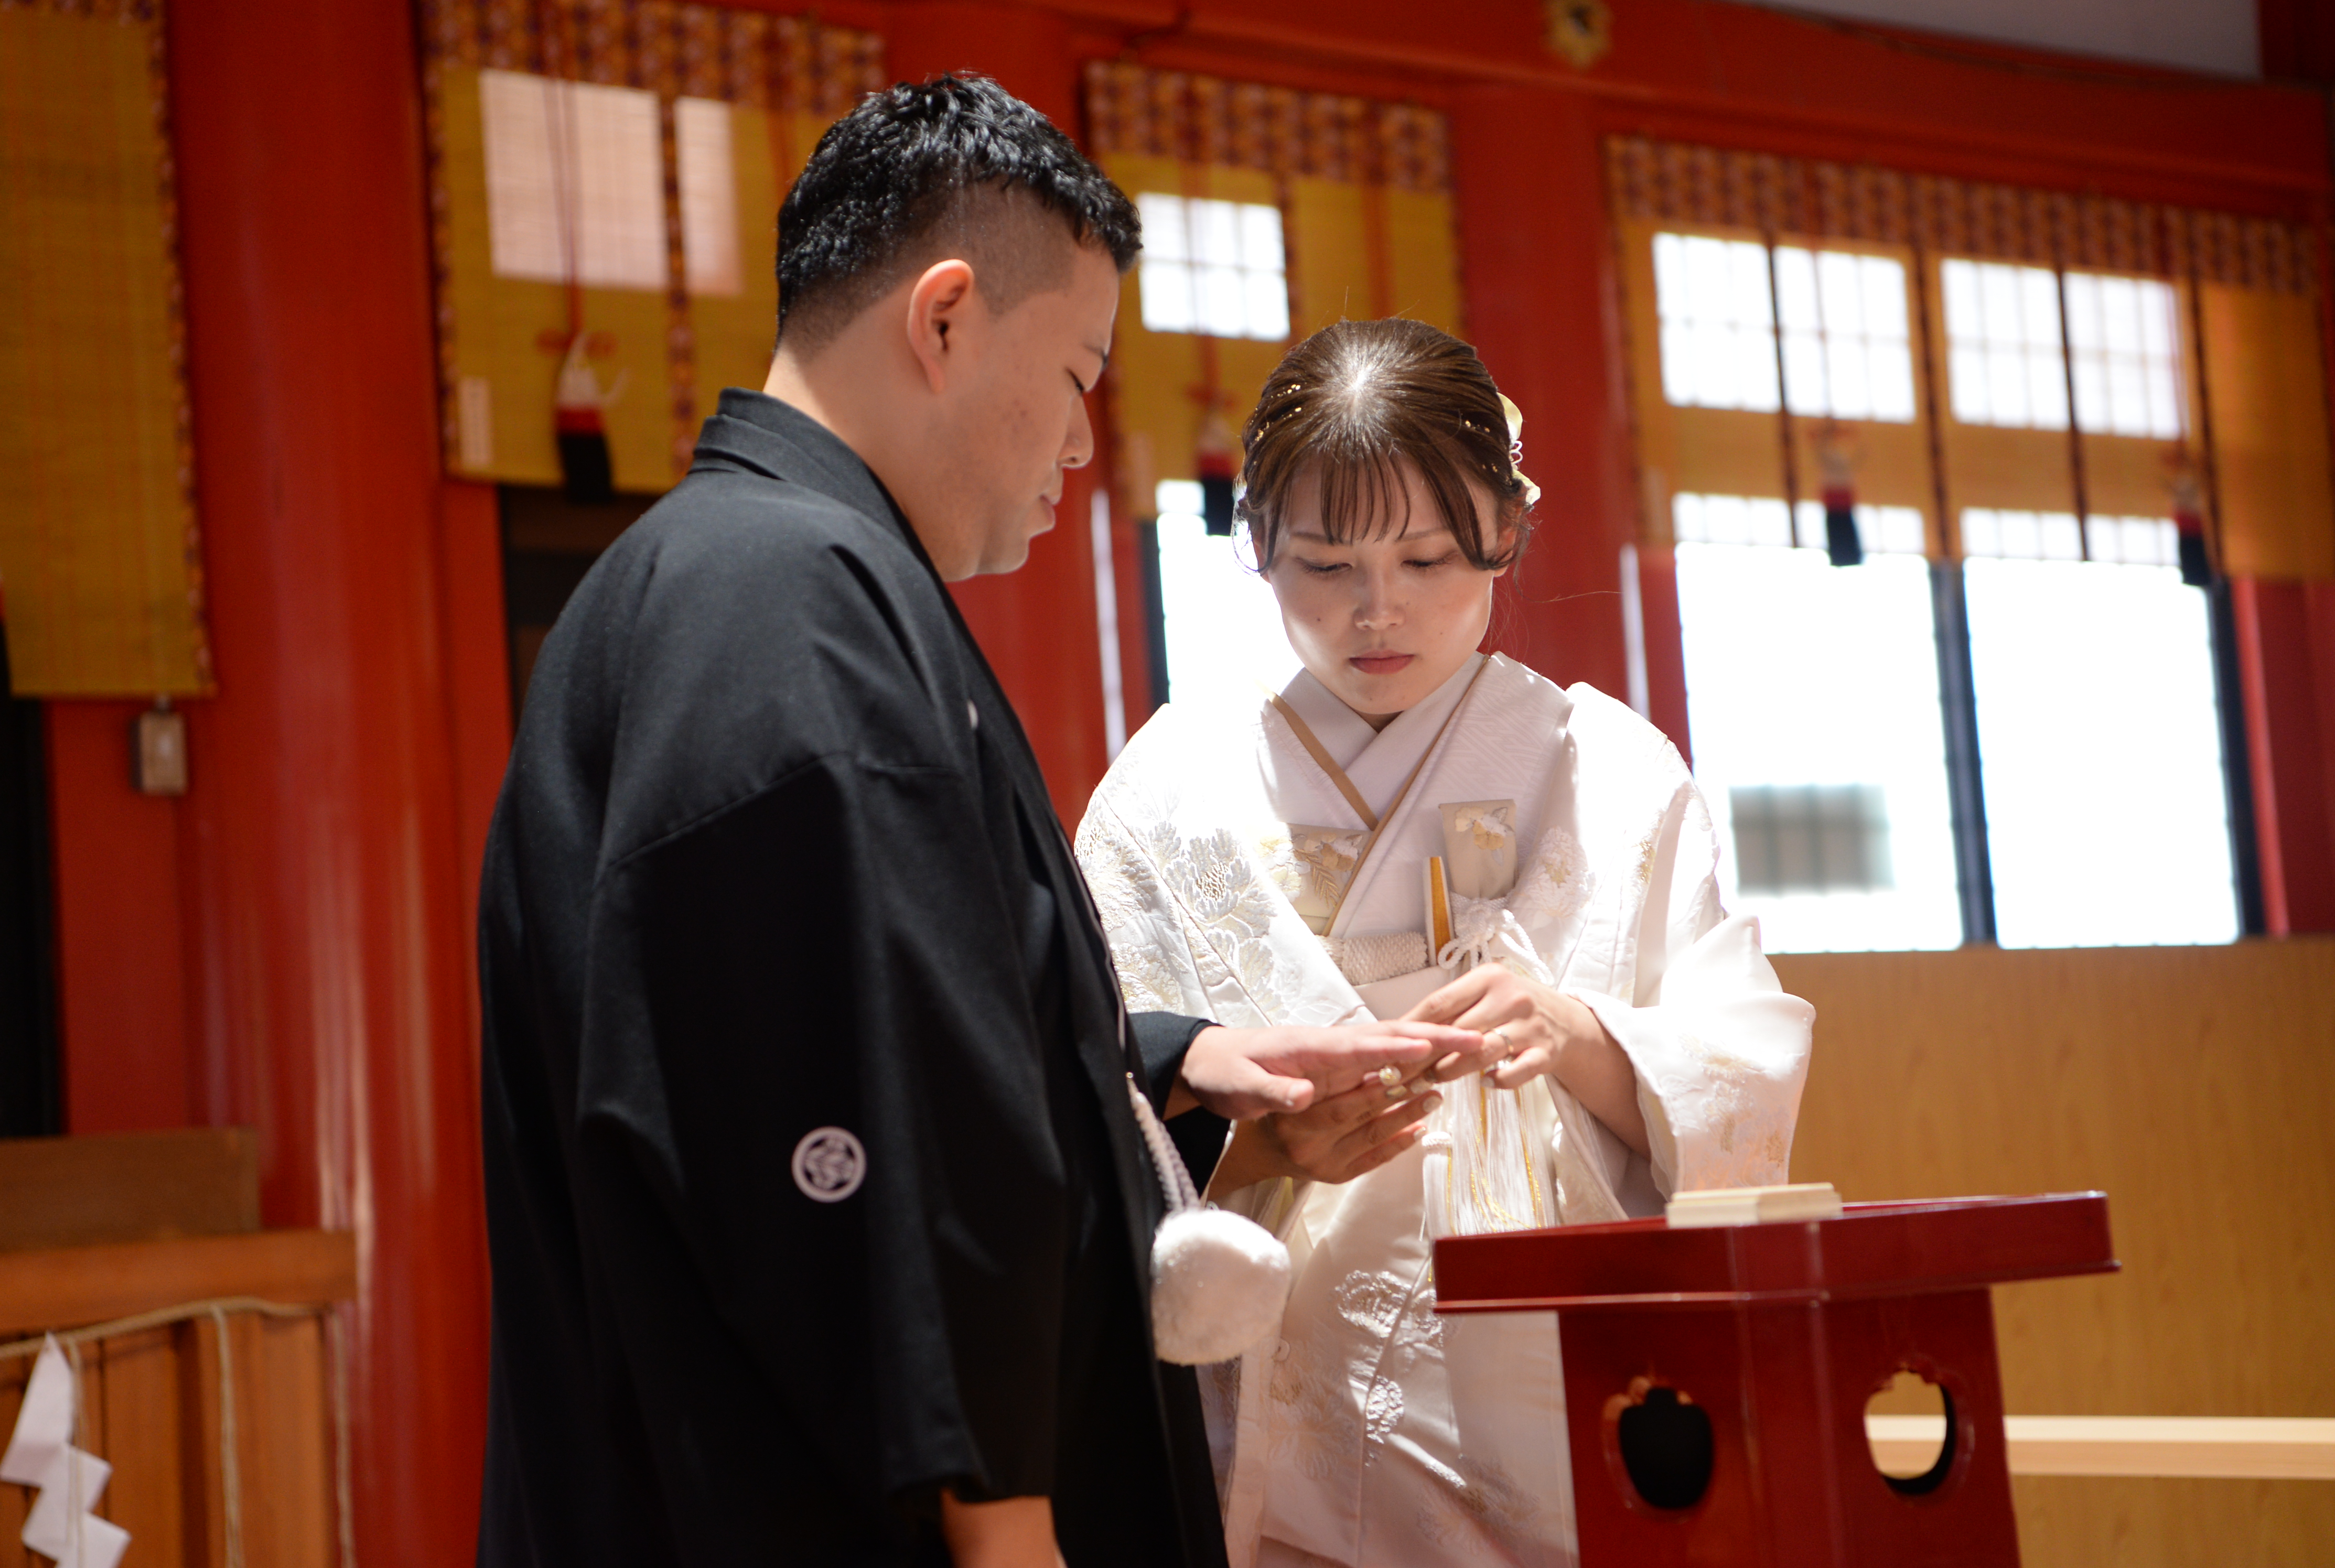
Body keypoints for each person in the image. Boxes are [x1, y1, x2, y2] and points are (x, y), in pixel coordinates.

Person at [475, 82, 1484, 1568]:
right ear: (944, 319)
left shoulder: (742, 574)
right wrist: (1005, 1530)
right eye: (1079, 370)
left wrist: (1184, 1071)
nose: (1084, 443)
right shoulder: (784, 599)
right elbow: (860, 1113)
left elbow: (844, 1013)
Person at [1076, 319, 1815, 1567]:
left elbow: (1744, 1070)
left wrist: (1586, 1039)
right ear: (1256, 546)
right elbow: (1090, 1095)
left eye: (1427, 557)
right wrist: (1256, 1133)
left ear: (1507, 529)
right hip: (1265, 1411)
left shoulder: (1609, 770)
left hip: (1547, 1408)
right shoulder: (1167, 792)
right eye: (1324, 563)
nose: (1380, 609)